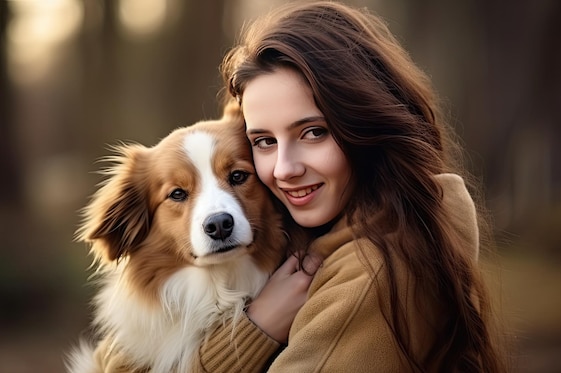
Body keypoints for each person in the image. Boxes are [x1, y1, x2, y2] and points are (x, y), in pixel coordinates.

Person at [200, 1, 507, 372]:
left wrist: (256, 330)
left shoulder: (373, 273)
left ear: (365, 125)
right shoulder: (298, 238)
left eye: (314, 132)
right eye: (264, 141)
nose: (284, 169)